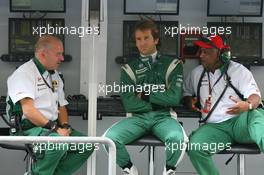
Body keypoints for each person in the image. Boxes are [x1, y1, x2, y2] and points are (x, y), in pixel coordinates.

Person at [104, 20, 188, 175]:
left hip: (164, 117)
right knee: (109, 140)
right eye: (138, 39)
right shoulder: (128, 68)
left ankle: (169, 170)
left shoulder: (173, 64)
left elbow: (173, 98)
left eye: (146, 38)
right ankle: (130, 169)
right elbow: (129, 103)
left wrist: (144, 95)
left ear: (156, 39)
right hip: (137, 118)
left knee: (177, 140)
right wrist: (159, 101)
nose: (142, 43)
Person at [7, 35, 93, 175]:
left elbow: (61, 106)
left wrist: (64, 126)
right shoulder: (24, 73)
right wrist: (55, 128)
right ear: (43, 54)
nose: (62, 58)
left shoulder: (54, 75)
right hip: (28, 127)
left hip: (51, 127)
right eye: (58, 54)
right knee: (59, 144)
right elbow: (28, 111)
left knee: (88, 145)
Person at [183, 35, 264, 175]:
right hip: (214, 128)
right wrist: (189, 101)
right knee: (195, 147)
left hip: (239, 122)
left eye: (206, 51)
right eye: (200, 51)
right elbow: (186, 93)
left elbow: (255, 96)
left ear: (221, 54)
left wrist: (247, 105)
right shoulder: (196, 74)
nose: (201, 55)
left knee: (256, 118)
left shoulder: (238, 70)